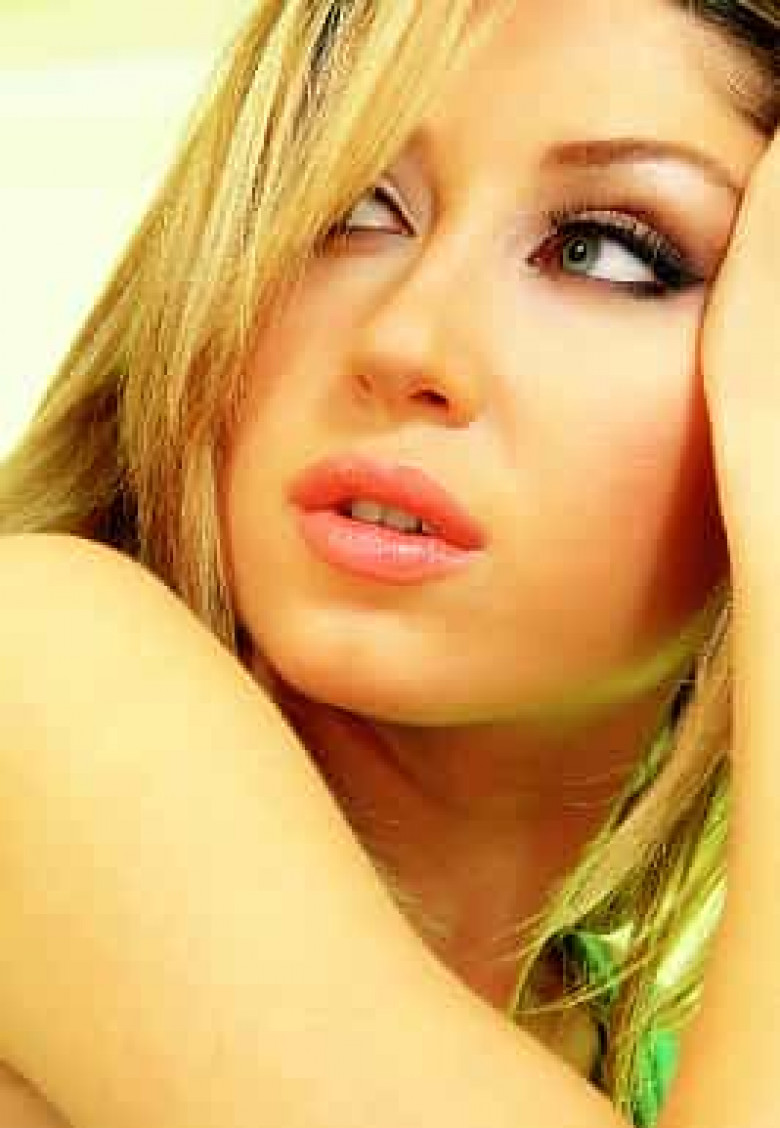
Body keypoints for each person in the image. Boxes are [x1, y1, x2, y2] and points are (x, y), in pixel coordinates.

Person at [0, 1, 778, 1125]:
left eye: (602, 251)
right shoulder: (36, 668)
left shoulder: (663, 1072)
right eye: (357, 208)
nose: (407, 341)